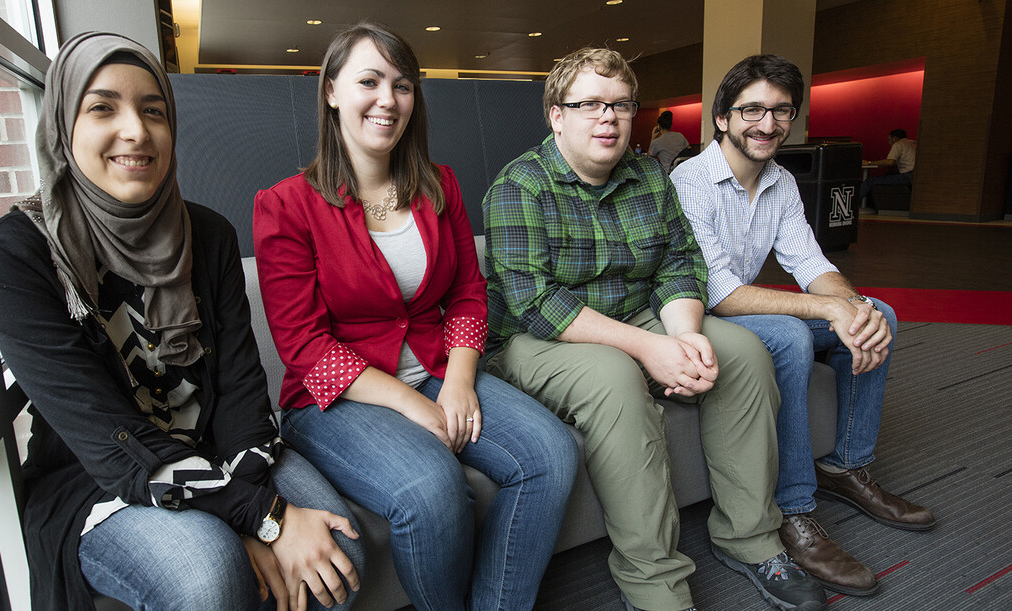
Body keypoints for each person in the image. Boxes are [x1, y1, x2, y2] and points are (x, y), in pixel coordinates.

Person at [0, 32, 363, 611]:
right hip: (100, 478)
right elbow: (108, 443)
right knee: (207, 573)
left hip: (218, 445)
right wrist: (264, 517)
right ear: (61, 125)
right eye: (103, 107)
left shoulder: (207, 234)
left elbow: (240, 385)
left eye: (154, 110)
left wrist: (250, 504)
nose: (136, 130)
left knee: (337, 555)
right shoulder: (14, 256)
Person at [483, 47, 826, 611]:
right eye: (590, 104)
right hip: (535, 338)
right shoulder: (521, 186)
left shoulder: (647, 175)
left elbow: (679, 264)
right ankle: (656, 584)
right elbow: (533, 302)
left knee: (740, 352)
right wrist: (649, 347)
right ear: (556, 116)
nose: (609, 117)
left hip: (637, 312)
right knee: (615, 377)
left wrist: (687, 335)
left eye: (620, 104)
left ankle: (750, 539)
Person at [252, 23, 578, 611]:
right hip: (334, 400)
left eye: (402, 86)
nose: (388, 100)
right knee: (431, 491)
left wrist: (457, 382)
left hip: (434, 367)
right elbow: (302, 344)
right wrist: (413, 404)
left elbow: (469, 294)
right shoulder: (285, 204)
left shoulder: (440, 185)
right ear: (331, 91)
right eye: (369, 81)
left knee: (551, 454)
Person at [671, 54, 934, 599]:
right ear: (722, 117)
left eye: (781, 112)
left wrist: (853, 306)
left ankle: (847, 467)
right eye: (752, 111)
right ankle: (793, 509)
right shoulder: (690, 180)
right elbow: (719, 292)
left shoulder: (781, 181)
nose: (767, 125)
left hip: (744, 306)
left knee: (878, 312)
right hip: (699, 314)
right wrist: (828, 310)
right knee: (791, 333)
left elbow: (812, 265)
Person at [858, 128, 916, 204]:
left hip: (906, 176)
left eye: (889, 140)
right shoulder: (914, 143)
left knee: (870, 181)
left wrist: (869, 163)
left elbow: (890, 162)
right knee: (887, 175)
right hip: (915, 176)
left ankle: (853, 204)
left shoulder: (898, 144)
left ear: (895, 138)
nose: (889, 143)